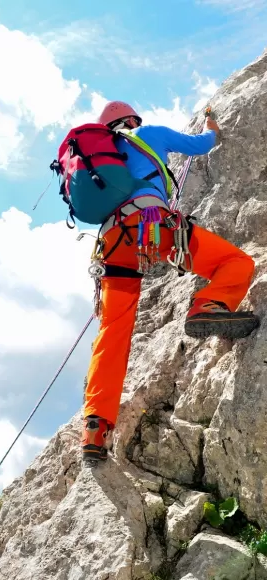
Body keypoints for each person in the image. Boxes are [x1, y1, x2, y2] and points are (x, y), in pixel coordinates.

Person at [82, 101, 260, 463]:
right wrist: (211, 124)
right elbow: (202, 145)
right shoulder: (148, 135)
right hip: (151, 226)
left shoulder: (96, 160)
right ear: (130, 120)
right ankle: (208, 305)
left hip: (112, 245)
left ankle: (95, 429)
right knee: (235, 262)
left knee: (111, 335)